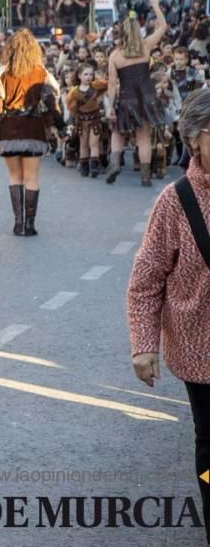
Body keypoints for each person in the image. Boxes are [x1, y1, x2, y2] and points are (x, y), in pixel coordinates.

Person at [127, 89, 210, 544]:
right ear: (195, 140)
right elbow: (146, 279)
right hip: (201, 348)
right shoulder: (175, 202)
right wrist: (144, 345)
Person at [0, 28, 64, 236]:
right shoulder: (41, 73)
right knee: (32, 178)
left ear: (11, 50)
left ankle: (18, 223)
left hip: (9, 130)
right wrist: (62, 128)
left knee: (15, 176)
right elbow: (52, 103)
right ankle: (29, 225)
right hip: (33, 129)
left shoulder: (1, 74)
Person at [106, 0, 168, 187]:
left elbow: (111, 84)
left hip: (127, 98)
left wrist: (110, 107)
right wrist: (156, 6)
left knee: (118, 132)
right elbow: (163, 27)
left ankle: (115, 164)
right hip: (147, 96)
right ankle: (145, 176)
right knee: (143, 136)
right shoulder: (146, 45)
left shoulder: (115, 56)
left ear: (121, 33)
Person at [66, 63, 108, 178]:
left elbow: (108, 85)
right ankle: (84, 167)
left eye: (91, 74)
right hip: (81, 121)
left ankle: (94, 167)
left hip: (95, 120)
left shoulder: (96, 86)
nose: (88, 76)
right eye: (85, 74)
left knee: (93, 143)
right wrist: (70, 123)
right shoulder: (74, 92)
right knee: (83, 144)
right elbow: (72, 109)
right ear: (79, 75)